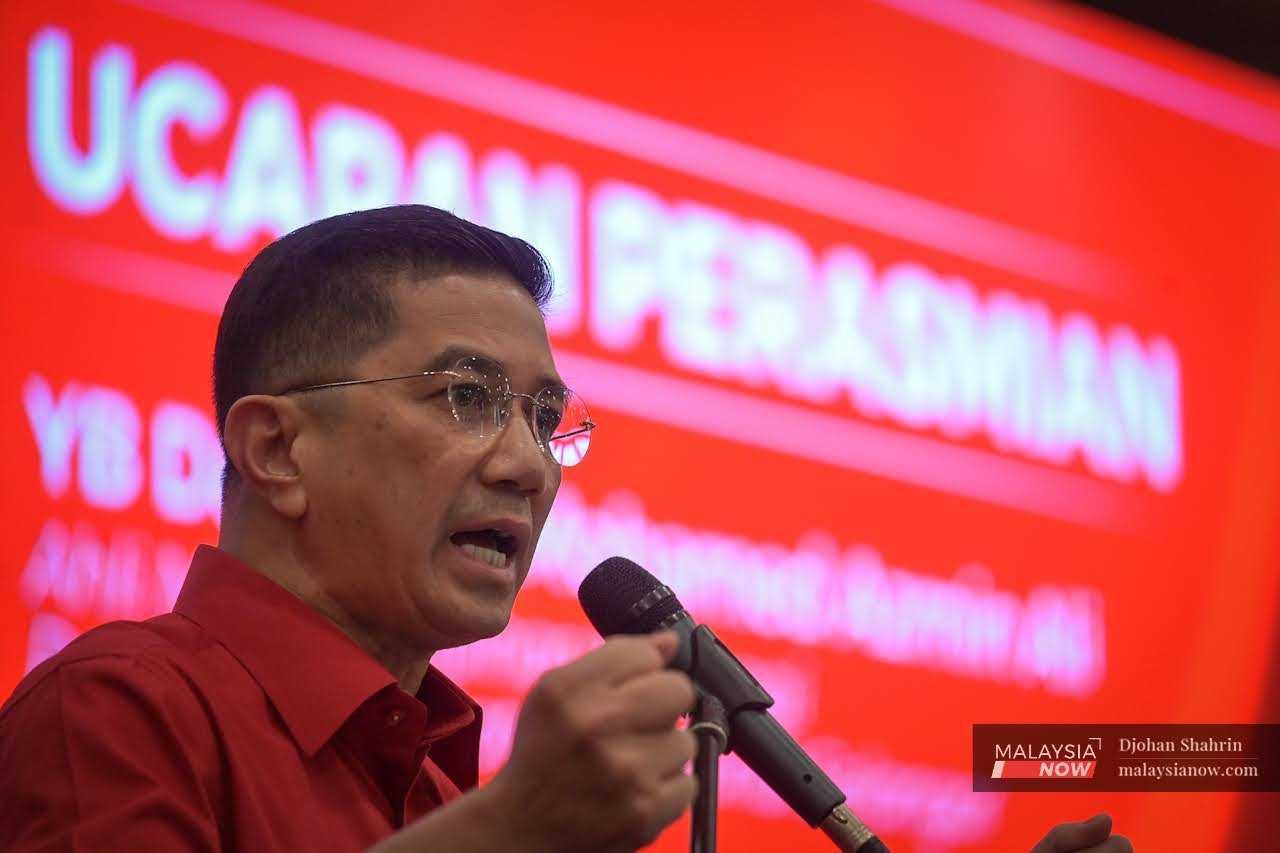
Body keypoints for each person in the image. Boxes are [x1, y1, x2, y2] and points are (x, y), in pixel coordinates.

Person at [0, 205, 1131, 853]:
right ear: (277, 449)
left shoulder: (439, 792)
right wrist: (508, 835)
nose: (528, 463)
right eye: (465, 396)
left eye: (546, 417)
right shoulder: (117, 710)